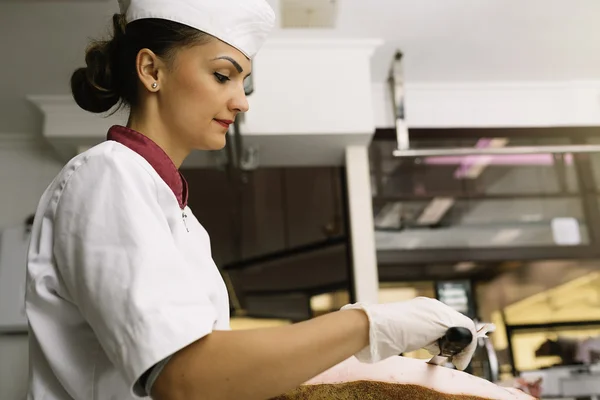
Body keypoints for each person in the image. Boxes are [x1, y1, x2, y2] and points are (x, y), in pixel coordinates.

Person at [24, 1, 479, 399]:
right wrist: (368, 325)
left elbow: (216, 374)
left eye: (243, 82)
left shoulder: (177, 214)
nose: (241, 102)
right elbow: (186, 380)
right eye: (223, 75)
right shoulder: (108, 175)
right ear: (151, 70)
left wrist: (379, 358)